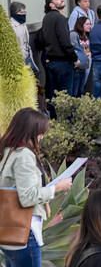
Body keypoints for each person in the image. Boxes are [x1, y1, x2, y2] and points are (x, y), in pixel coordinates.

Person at [0, 108, 72, 267]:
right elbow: (27, 197)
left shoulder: (6, 152)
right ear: (31, 132)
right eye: (41, 133)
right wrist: (57, 188)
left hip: (8, 230)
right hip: (25, 232)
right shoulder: (24, 155)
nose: (42, 138)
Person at [39, 0, 78, 106]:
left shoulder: (46, 18)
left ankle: (54, 120)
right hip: (63, 62)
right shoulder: (60, 18)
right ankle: (66, 121)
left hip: (50, 61)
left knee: (53, 95)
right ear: (51, 5)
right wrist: (75, 58)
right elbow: (65, 42)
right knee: (65, 96)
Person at [9, 2, 37, 73]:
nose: (24, 14)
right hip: (18, 58)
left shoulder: (23, 24)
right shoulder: (11, 26)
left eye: (25, 11)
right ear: (15, 13)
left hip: (27, 55)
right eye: (21, 12)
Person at [70, 16, 92, 97]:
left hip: (85, 65)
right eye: (87, 24)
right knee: (75, 90)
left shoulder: (87, 35)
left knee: (81, 89)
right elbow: (72, 49)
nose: (89, 26)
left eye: (90, 24)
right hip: (77, 66)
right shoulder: (74, 34)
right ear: (80, 25)